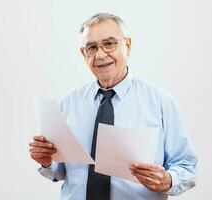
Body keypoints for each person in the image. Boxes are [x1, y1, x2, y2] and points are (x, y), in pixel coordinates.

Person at [29, 13, 197, 200]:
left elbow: (186, 166)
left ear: (128, 45)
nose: (100, 54)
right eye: (91, 47)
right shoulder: (69, 102)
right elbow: (60, 172)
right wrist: (46, 162)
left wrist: (168, 180)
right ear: (84, 54)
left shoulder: (161, 101)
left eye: (109, 43)